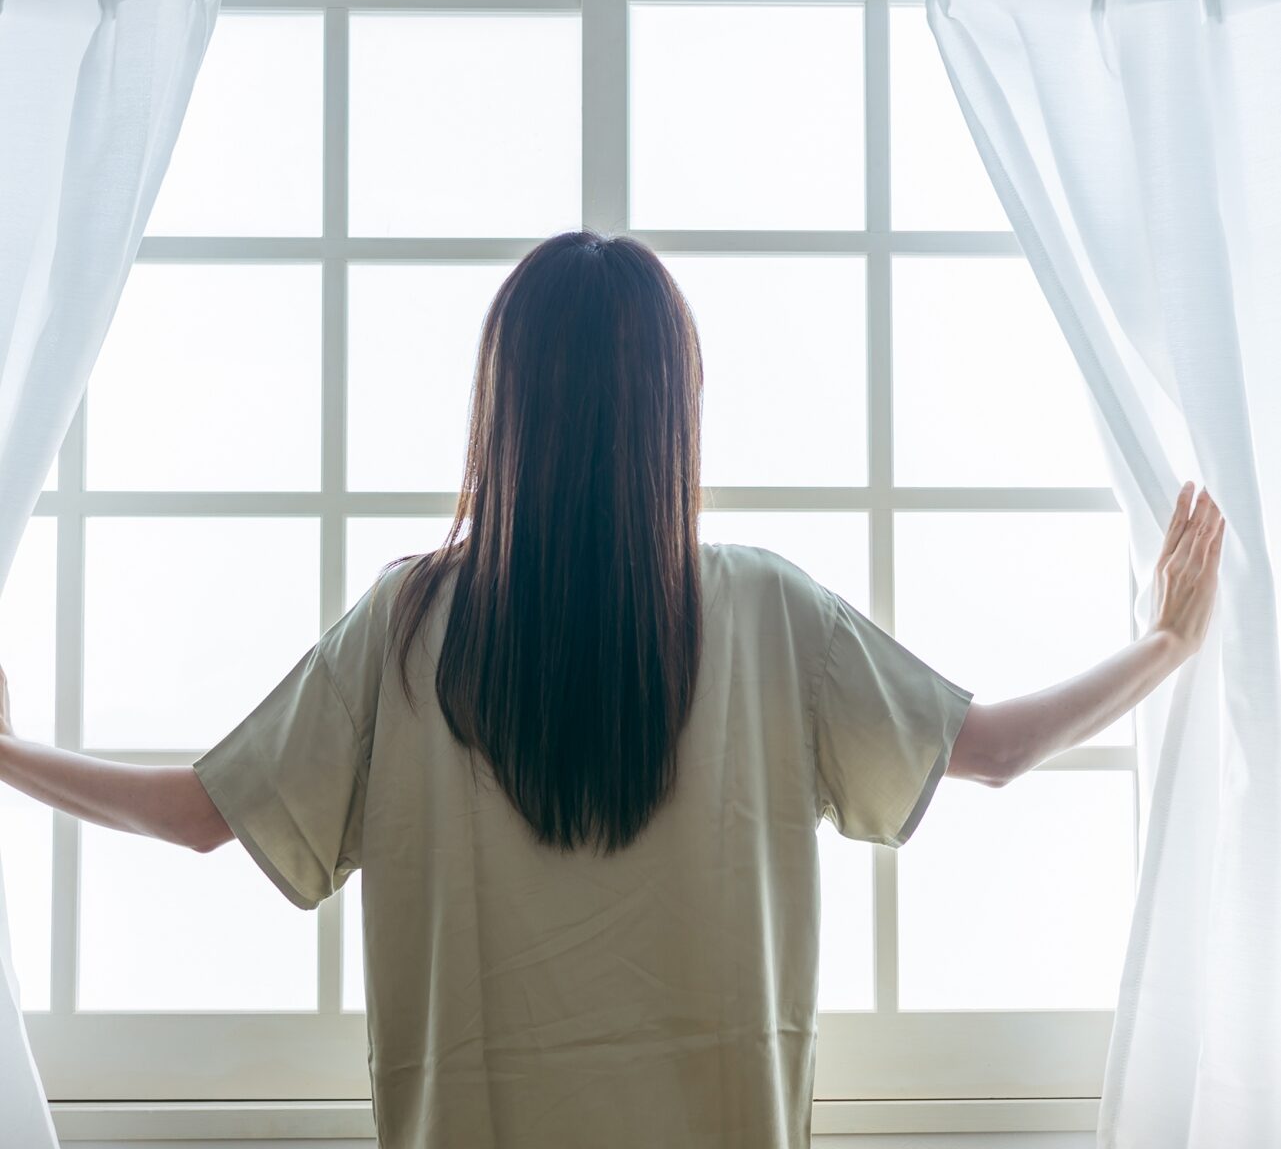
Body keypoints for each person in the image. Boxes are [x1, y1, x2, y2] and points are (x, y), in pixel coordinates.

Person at [0, 231, 1225, 1148]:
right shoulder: (761, 607)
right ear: (668, 413)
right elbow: (996, 747)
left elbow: (201, 810)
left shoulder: (411, 622)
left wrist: (7, 752)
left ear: (506, 411)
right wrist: (1162, 646)